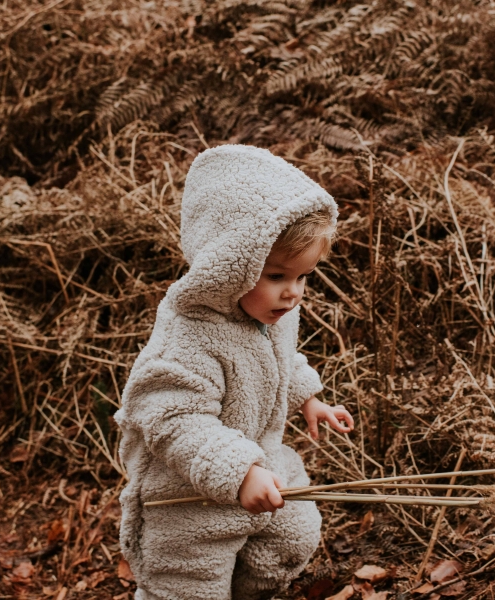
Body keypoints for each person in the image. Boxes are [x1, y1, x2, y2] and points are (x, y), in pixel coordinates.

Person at [115, 144, 355, 600]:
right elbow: (172, 419)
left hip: (264, 466)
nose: (294, 294)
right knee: (189, 586)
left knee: (293, 534)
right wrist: (239, 472)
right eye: (278, 276)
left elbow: (279, 362)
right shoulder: (188, 336)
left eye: (303, 277)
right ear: (229, 264)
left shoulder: (268, 314)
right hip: (189, 496)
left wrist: (308, 398)